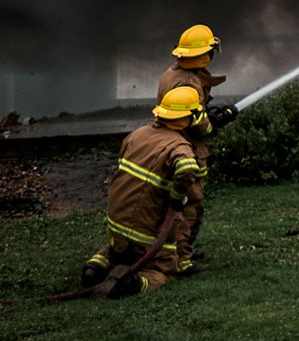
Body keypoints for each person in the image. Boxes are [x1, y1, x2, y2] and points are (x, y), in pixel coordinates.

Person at [81, 85, 209, 297]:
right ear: (189, 117)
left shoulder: (136, 135)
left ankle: (95, 267)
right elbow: (187, 169)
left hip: (116, 227)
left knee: (116, 251)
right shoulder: (178, 146)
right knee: (164, 269)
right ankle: (132, 284)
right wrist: (178, 197)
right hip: (146, 237)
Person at [155, 24, 235, 274]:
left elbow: (188, 112)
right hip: (186, 148)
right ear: (204, 55)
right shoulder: (189, 84)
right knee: (191, 204)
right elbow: (200, 127)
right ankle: (183, 259)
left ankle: (178, 248)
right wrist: (217, 121)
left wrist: (205, 112)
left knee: (180, 203)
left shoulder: (173, 73)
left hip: (171, 143)